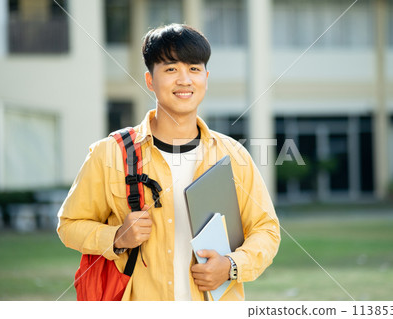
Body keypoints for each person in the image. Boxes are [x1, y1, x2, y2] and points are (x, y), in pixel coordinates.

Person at [57, 23, 280, 301]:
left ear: (206, 78)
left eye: (194, 69)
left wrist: (232, 266)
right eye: (171, 69)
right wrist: (116, 237)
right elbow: (69, 224)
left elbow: (266, 230)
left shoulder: (232, 155)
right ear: (150, 80)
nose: (185, 80)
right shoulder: (109, 153)